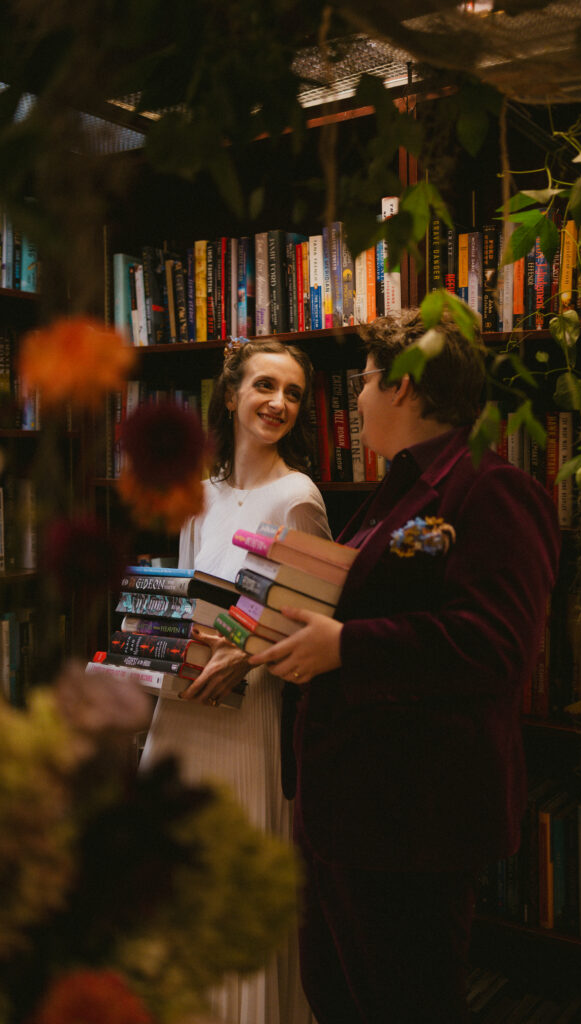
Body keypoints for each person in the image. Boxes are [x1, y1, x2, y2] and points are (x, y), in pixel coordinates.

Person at [250, 308, 562, 1024]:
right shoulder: (399, 487)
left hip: (409, 819)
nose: (353, 400)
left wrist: (344, 647)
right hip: (345, 811)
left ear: (403, 388)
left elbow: (496, 644)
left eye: (360, 382)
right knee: (339, 998)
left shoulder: (489, 487)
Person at [139, 337, 329, 1024]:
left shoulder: (296, 497)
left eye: (293, 393)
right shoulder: (199, 494)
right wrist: (149, 642)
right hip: (181, 716)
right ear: (230, 394)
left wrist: (245, 651)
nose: (278, 402)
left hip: (245, 723)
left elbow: (307, 618)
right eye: (264, 386)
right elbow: (196, 599)